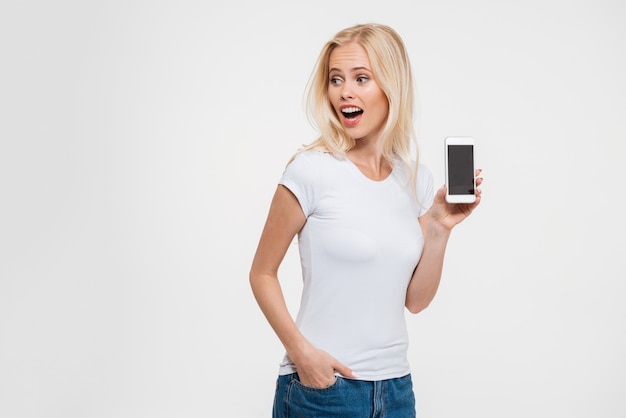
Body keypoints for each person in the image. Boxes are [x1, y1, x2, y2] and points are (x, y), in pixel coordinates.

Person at [249, 23, 483, 417]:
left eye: (361, 78)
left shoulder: (415, 180)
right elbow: (261, 273)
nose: (345, 92)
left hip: (396, 391)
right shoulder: (310, 171)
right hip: (323, 392)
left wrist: (441, 227)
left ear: (392, 87)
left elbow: (416, 301)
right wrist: (302, 354)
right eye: (335, 79)